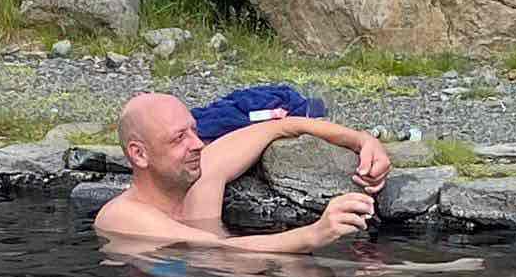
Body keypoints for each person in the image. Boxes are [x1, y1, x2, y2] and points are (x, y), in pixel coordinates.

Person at [94, 89, 389, 258]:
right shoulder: (123, 217)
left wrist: (363, 141)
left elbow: (281, 126)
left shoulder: (200, 178)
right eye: (178, 138)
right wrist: (316, 233)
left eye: (194, 130)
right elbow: (216, 249)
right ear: (139, 154)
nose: (197, 144)